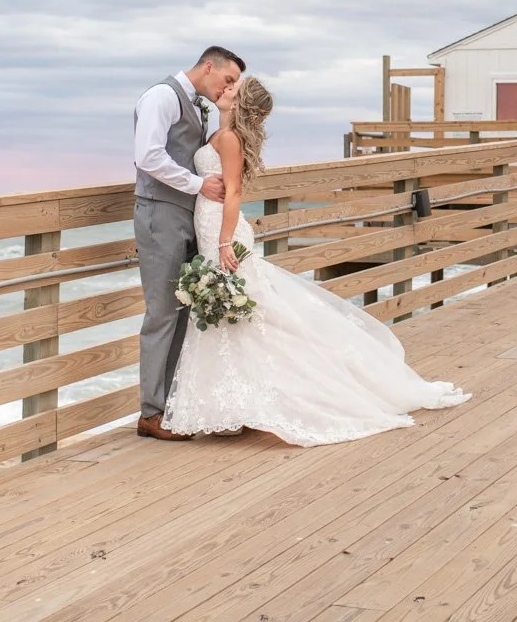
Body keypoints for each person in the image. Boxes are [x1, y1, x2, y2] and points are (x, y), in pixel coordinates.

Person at [162, 76, 470, 446]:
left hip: (222, 233)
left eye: (234, 88)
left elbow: (235, 192)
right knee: (238, 316)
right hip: (209, 226)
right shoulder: (218, 132)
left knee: (243, 314)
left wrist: (225, 241)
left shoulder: (229, 140)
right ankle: (231, 406)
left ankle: (263, 401)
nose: (226, 88)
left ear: (241, 103)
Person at [133, 46, 244, 441]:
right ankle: (151, 412)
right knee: (162, 311)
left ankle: (172, 404)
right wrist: (198, 185)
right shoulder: (162, 97)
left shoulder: (199, 105)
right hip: (160, 214)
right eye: (228, 79)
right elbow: (147, 156)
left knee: (184, 309)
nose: (229, 87)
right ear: (208, 66)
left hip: (190, 218)